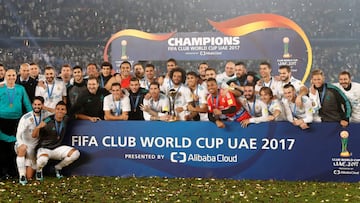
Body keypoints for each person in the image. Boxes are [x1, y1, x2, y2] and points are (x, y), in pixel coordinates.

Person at [32, 101, 80, 181]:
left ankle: (57, 168)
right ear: (55, 110)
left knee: (75, 153)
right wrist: (38, 127)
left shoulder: (66, 118)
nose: (60, 111)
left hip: (57, 148)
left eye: (62, 109)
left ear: (65, 111)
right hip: (45, 148)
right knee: (43, 160)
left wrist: (90, 118)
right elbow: (34, 136)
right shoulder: (47, 121)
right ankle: (39, 171)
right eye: (58, 109)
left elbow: (78, 115)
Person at [0, 69, 32, 179]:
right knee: (2, 148)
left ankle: (13, 172)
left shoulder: (20, 89)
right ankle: (3, 173)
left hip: (17, 121)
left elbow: (27, 104)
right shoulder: (0, 89)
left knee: (14, 147)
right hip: (2, 120)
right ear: (5, 76)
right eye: (9, 75)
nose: (11, 77)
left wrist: (31, 117)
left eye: (13, 75)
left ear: (16, 76)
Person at [15, 96, 51, 185]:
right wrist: (21, 144)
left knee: (30, 177)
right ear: (32, 105)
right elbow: (18, 134)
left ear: (42, 105)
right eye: (35, 104)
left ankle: (28, 174)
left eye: (39, 105)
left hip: (33, 149)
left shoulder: (45, 114)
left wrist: (45, 108)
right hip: (24, 144)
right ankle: (21, 176)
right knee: (23, 148)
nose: (36, 106)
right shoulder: (26, 118)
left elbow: (56, 112)